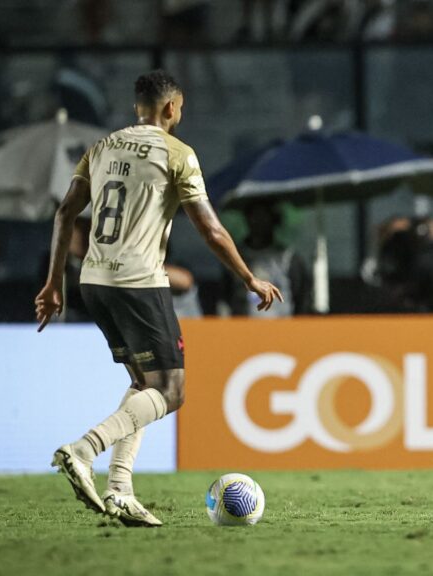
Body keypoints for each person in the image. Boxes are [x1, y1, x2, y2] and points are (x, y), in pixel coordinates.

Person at [34, 70, 282, 527]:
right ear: (172, 108)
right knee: (171, 391)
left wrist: (54, 284)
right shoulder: (177, 153)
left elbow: (66, 211)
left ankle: (120, 489)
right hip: (140, 282)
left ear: (137, 107)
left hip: (94, 281)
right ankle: (82, 450)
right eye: (181, 108)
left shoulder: (101, 147)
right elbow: (210, 228)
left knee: (143, 384)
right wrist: (249, 278)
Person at [225, 201, 311, 318]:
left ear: (273, 221)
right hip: (243, 328)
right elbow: (225, 295)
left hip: (280, 327)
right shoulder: (235, 256)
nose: (259, 223)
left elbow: (301, 297)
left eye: (264, 217)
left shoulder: (287, 257)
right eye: (254, 217)